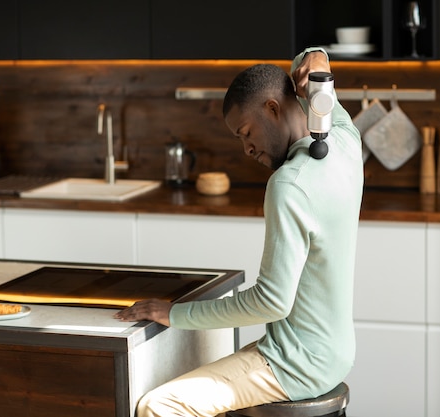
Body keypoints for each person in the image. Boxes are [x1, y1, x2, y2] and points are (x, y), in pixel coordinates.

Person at [114, 47, 364, 417]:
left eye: (246, 133)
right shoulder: (345, 140)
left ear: (273, 109)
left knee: (159, 406)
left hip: (295, 366)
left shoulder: (290, 184)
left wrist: (174, 313)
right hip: (334, 354)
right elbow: (310, 68)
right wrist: (318, 55)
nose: (247, 148)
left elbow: (271, 301)